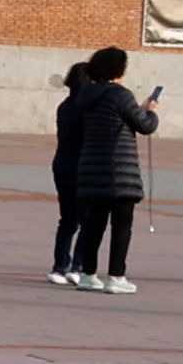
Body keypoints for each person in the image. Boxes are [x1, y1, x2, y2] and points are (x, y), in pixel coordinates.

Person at [49, 45, 155, 291]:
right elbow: (144, 125)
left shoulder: (86, 97)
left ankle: (87, 273)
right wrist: (150, 112)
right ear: (119, 70)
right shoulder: (120, 95)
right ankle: (116, 276)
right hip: (119, 170)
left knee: (93, 224)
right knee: (121, 225)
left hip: (90, 168)